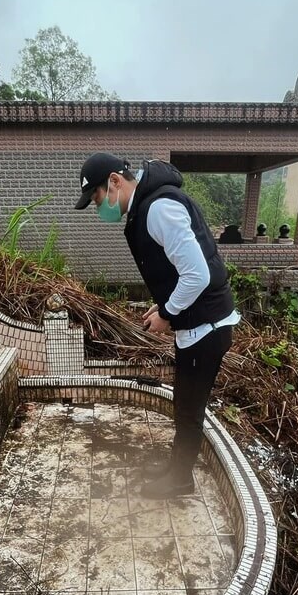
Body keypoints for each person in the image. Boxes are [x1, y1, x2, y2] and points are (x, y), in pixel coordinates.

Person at [75, 153, 239, 499]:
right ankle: (175, 470)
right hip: (199, 323)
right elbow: (181, 271)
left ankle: (180, 480)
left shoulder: (158, 209)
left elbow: (198, 274)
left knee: (189, 411)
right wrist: (163, 303)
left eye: (97, 198)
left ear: (115, 181)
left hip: (206, 327)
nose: (98, 207)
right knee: (184, 406)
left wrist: (167, 313)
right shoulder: (149, 206)